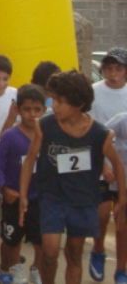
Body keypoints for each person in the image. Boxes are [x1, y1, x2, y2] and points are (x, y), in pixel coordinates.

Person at [21, 70, 127, 284]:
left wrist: (122, 198)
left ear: (78, 104)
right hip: (52, 196)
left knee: (74, 253)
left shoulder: (100, 134)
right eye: (53, 99)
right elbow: (30, 159)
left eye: (60, 101)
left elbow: (117, 164)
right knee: (50, 251)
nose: (54, 105)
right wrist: (23, 194)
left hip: (83, 200)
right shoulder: (45, 125)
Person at [0, 84, 46, 284]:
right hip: (13, 198)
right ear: (18, 110)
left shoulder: (48, 135)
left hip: (40, 199)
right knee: (11, 240)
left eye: (37, 110)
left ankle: (36, 269)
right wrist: (5, 188)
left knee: (42, 241)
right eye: (27, 109)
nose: (32, 114)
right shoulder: (10, 136)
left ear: (44, 110)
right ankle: (8, 270)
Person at [89, 48, 127, 281]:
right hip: (100, 162)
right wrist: (103, 165)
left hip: (125, 165)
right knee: (101, 214)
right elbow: (91, 130)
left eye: (119, 68)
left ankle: (121, 267)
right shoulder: (93, 93)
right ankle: (98, 249)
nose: (113, 73)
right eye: (109, 68)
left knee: (122, 221)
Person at [104, 110, 127, 283]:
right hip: (122, 182)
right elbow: (100, 140)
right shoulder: (122, 119)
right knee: (122, 228)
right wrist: (105, 166)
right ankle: (121, 270)